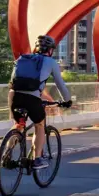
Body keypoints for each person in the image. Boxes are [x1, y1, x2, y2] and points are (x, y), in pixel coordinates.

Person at [9, 35, 72, 170]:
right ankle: (37, 158)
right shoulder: (50, 62)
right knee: (39, 125)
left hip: (15, 96)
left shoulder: (22, 59)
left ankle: (6, 155)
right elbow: (60, 84)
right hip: (32, 99)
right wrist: (67, 100)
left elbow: (13, 80)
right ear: (50, 50)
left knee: (18, 124)